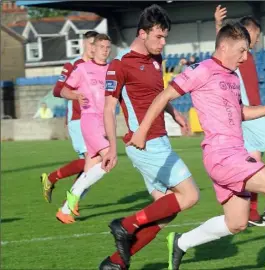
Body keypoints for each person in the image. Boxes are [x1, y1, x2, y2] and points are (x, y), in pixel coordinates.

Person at [128, 22, 265, 270]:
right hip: (222, 155)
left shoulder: (232, 77)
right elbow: (164, 95)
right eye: (241, 51)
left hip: (233, 154)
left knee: (236, 223)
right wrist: (142, 131)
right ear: (225, 46)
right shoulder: (202, 70)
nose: (245, 57)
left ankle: (180, 242)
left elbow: (239, 111)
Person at [98, 5, 199, 270]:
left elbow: (158, 94)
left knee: (167, 211)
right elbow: (108, 108)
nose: (163, 42)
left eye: (165, 37)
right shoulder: (119, 66)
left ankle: (115, 264)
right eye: (159, 37)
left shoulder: (156, 60)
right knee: (190, 196)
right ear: (142, 33)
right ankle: (125, 225)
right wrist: (110, 148)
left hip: (159, 140)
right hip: (145, 144)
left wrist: (174, 114)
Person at [215, 5, 265, 227]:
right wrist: (218, 25)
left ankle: (252, 214)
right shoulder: (243, 55)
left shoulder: (243, 57)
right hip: (249, 112)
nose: (258, 40)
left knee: (254, 162)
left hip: (247, 115)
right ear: (248, 32)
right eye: (257, 35)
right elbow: (223, 48)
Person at [55, 34, 112, 224]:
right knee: (109, 160)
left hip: (105, 123)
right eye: (101, 46)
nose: (105, 50)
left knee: (90, 168)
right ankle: (73, 195)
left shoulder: (112, 70)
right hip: (89, 121)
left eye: (107, 47)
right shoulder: (82, 69)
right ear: (93, 48)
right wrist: (75, 96)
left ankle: (64, 211)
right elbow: (62, 90)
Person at [40, 31, 98, 204]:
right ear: (84, 44)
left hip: (95, 122)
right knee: (91, 160)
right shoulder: (73, 65)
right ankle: (65, 196)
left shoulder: (101, 67)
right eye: (91, 44)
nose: (94, 48)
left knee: (93, 165)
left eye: (97, 45)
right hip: (78, 119)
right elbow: (58, 90)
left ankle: (66, 197)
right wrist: (76, 96)